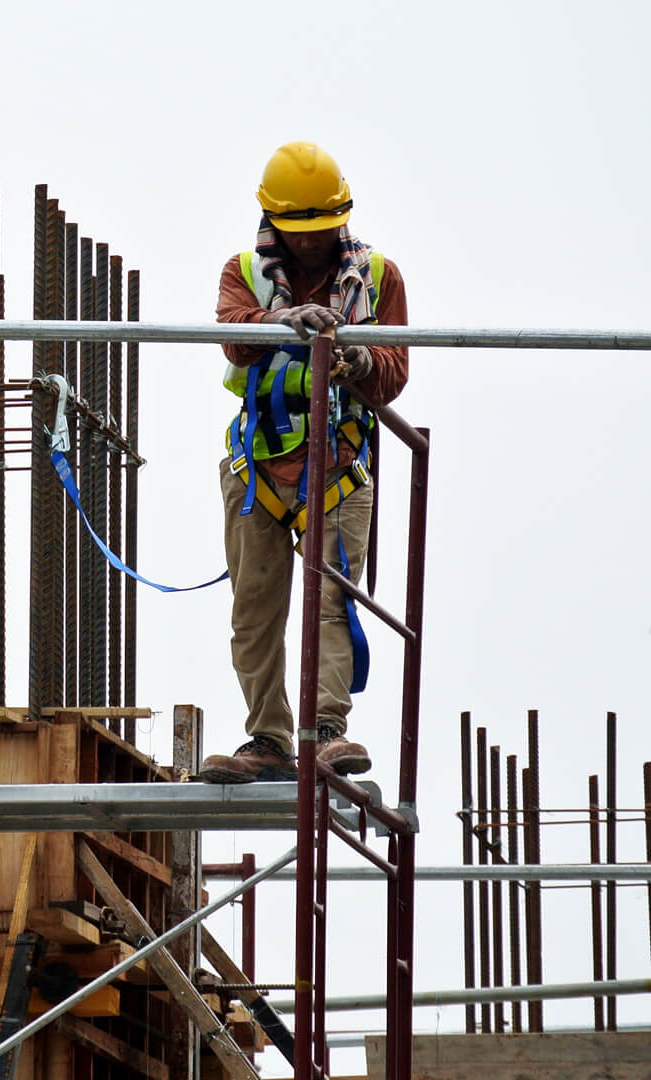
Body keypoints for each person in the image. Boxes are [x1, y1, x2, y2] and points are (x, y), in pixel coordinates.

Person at [196, 141, 410, 783]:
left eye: (325, 230)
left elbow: (396, 374)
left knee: (332, 602)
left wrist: (363, 358)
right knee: (255, 609)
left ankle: (326, 732)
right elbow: (235, 338)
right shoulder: (244, 272)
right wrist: (282, 321)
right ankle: (268, 739)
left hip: (338, 465)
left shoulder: (377, 277)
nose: (315, 244)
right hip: (259, 466)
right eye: (302, 232)